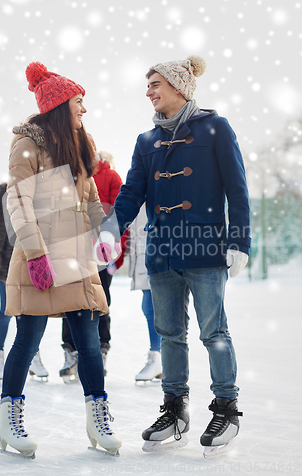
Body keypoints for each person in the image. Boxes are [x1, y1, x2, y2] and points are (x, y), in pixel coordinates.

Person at [93, 56, 250, 457]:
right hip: (162, 251)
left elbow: (237, 188)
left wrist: (239, 241)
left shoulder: (216, 128)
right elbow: (131, 194)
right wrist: (111, 230)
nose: (148, 92)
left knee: (213, 332)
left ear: (180, 86)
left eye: (155, 84)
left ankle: (226, 408)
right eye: (147, 85)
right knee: (169, 334)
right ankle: (175, 407)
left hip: (204, 248)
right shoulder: (147, 142)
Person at [0, 61, 122, 458]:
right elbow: (19, 203)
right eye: (79, 102)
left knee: (88, 342)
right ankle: (9, 420)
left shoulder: (81, 144)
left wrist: (103, 234)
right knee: (28, 339)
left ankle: (98, 419)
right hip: (42, 258)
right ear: (59, 104)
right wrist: (35, 256)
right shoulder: (27, 146)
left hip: (77, 258)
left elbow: (88, 199)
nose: (84, 110)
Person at [59, 150, 127, 381]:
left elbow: (119, 217)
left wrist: (117, 254)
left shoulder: (112, 177)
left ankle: (100, 349)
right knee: (70, 302)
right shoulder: (71, 175)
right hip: (74, 253)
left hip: (100, 255)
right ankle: (71, 352)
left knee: (100, 301)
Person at [0, 183, 48, 381]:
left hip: (32, 260)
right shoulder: (5, 189)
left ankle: (33, 357)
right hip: (8, 260)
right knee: (7, 309)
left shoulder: (39, 189)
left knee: (31, 311)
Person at [127, 204, 162, 383]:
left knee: (154, 307)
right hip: (145, 251)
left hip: (157, 251)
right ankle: (159, 357)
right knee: (149, 306)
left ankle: (160, 357)